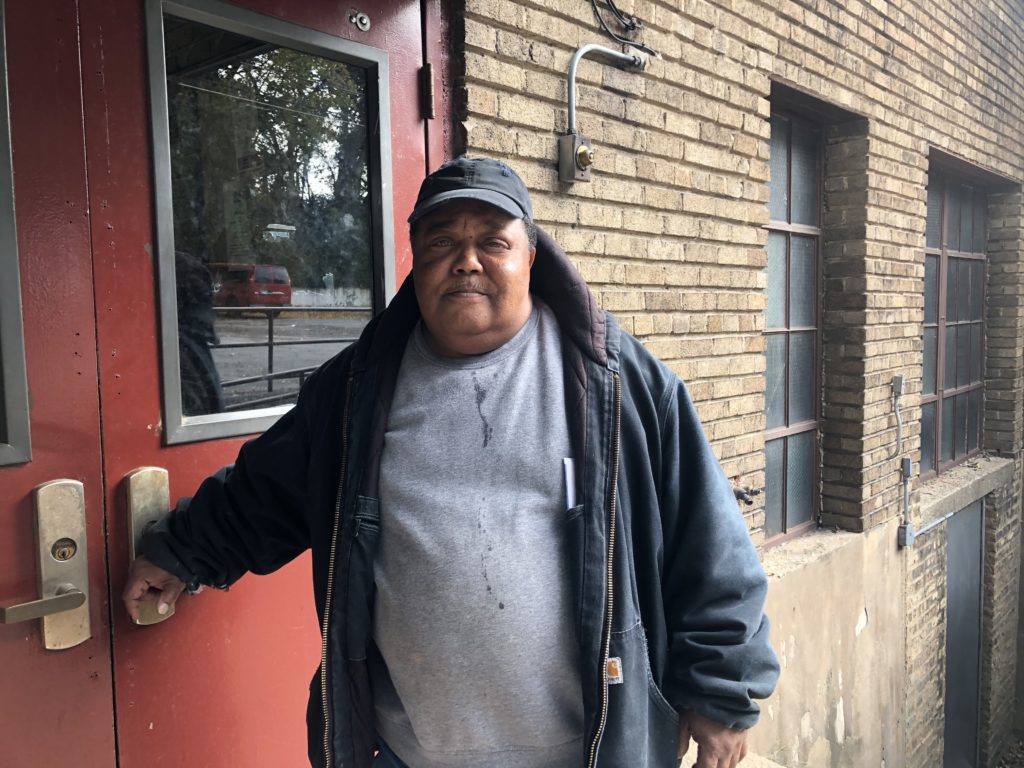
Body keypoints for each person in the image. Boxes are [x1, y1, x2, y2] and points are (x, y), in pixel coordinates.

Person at [124, 156, 779, 768]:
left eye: (492, 240)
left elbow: (709, 540)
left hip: (587, 747)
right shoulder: (356, 391)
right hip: (407, 750)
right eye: (442, 242)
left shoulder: (620, 384)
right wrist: (181, 553)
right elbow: (266, 490)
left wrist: (721, 689)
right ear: (417, 260)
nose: (466, 261)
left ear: (530, 254)